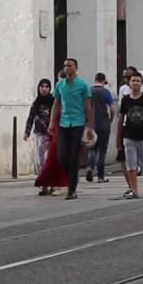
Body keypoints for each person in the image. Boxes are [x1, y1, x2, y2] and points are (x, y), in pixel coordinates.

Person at [49, 58, 93, 200]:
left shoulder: (83, 85)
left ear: (76, 68)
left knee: (74, 157)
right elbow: (56, 104)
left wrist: (89, 126)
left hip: (78, 123)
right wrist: (51, 122)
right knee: (62, 157)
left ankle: (72, 189)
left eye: (70, 65)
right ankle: (70, 179)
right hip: (63, 123)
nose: (67, 68)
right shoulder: (59, 85)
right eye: (65, 66)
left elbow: (88, 106)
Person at [117, 71, 143, 199]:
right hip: (129, 135)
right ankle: (134, 190)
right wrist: (119, 137)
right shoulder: (125, 100)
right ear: (129, 83)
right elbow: (121, 117)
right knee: (131, 164)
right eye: (133, 80)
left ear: (142, 83)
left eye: (138, 81)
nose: (135, 83)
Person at [23, 79, 54, 186]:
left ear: (50, 89)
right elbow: (30, 118)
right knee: (40, 161)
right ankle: (44, 183)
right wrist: (27, 131)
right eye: (42, 86)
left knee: (48, 159)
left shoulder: (53, 102)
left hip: (50, 135)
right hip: (39, 134)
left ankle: (51, 182)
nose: (44, 89)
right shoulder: (36, 103)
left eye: (46, 87)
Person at [86, 72, 115, 183]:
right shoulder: (106, 92)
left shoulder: (89, 91)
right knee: (102, 150)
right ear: (104, 81)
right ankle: (101, 176)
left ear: (95, 79)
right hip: (103, 123)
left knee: (92, 148)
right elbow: (112, 109)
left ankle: (90, 167)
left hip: (91, 124)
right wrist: (110, 120)